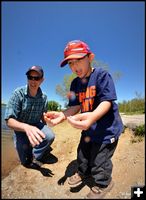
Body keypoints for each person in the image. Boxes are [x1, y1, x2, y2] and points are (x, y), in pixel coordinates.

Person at [43, 40, 124, 199]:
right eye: (70, 63)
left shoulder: (101, 76)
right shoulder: (75, 83)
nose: (74, 66)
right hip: (88, 130)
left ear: (90, 57)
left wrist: (93, 116)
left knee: (100, 160)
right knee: (83, 154)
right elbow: (75, 106)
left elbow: (107, 102)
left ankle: (103, 183)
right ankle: (83, 173)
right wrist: (62, 115)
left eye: (78, 60)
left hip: (107, 131)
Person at [5, 65, 56, 169]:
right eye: (30, 77)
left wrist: (45, 126)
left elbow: (43, 115)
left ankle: (36, 155)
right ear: (27, 78)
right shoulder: (17, 94)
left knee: (49, 136)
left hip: (36, 124)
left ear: (42, 80)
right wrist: (26, 127)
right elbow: (9, 121)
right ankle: (27, 151)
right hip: (20, 127)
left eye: (36, 78)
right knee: (24, 162)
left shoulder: (44, 97)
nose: (33, 81)